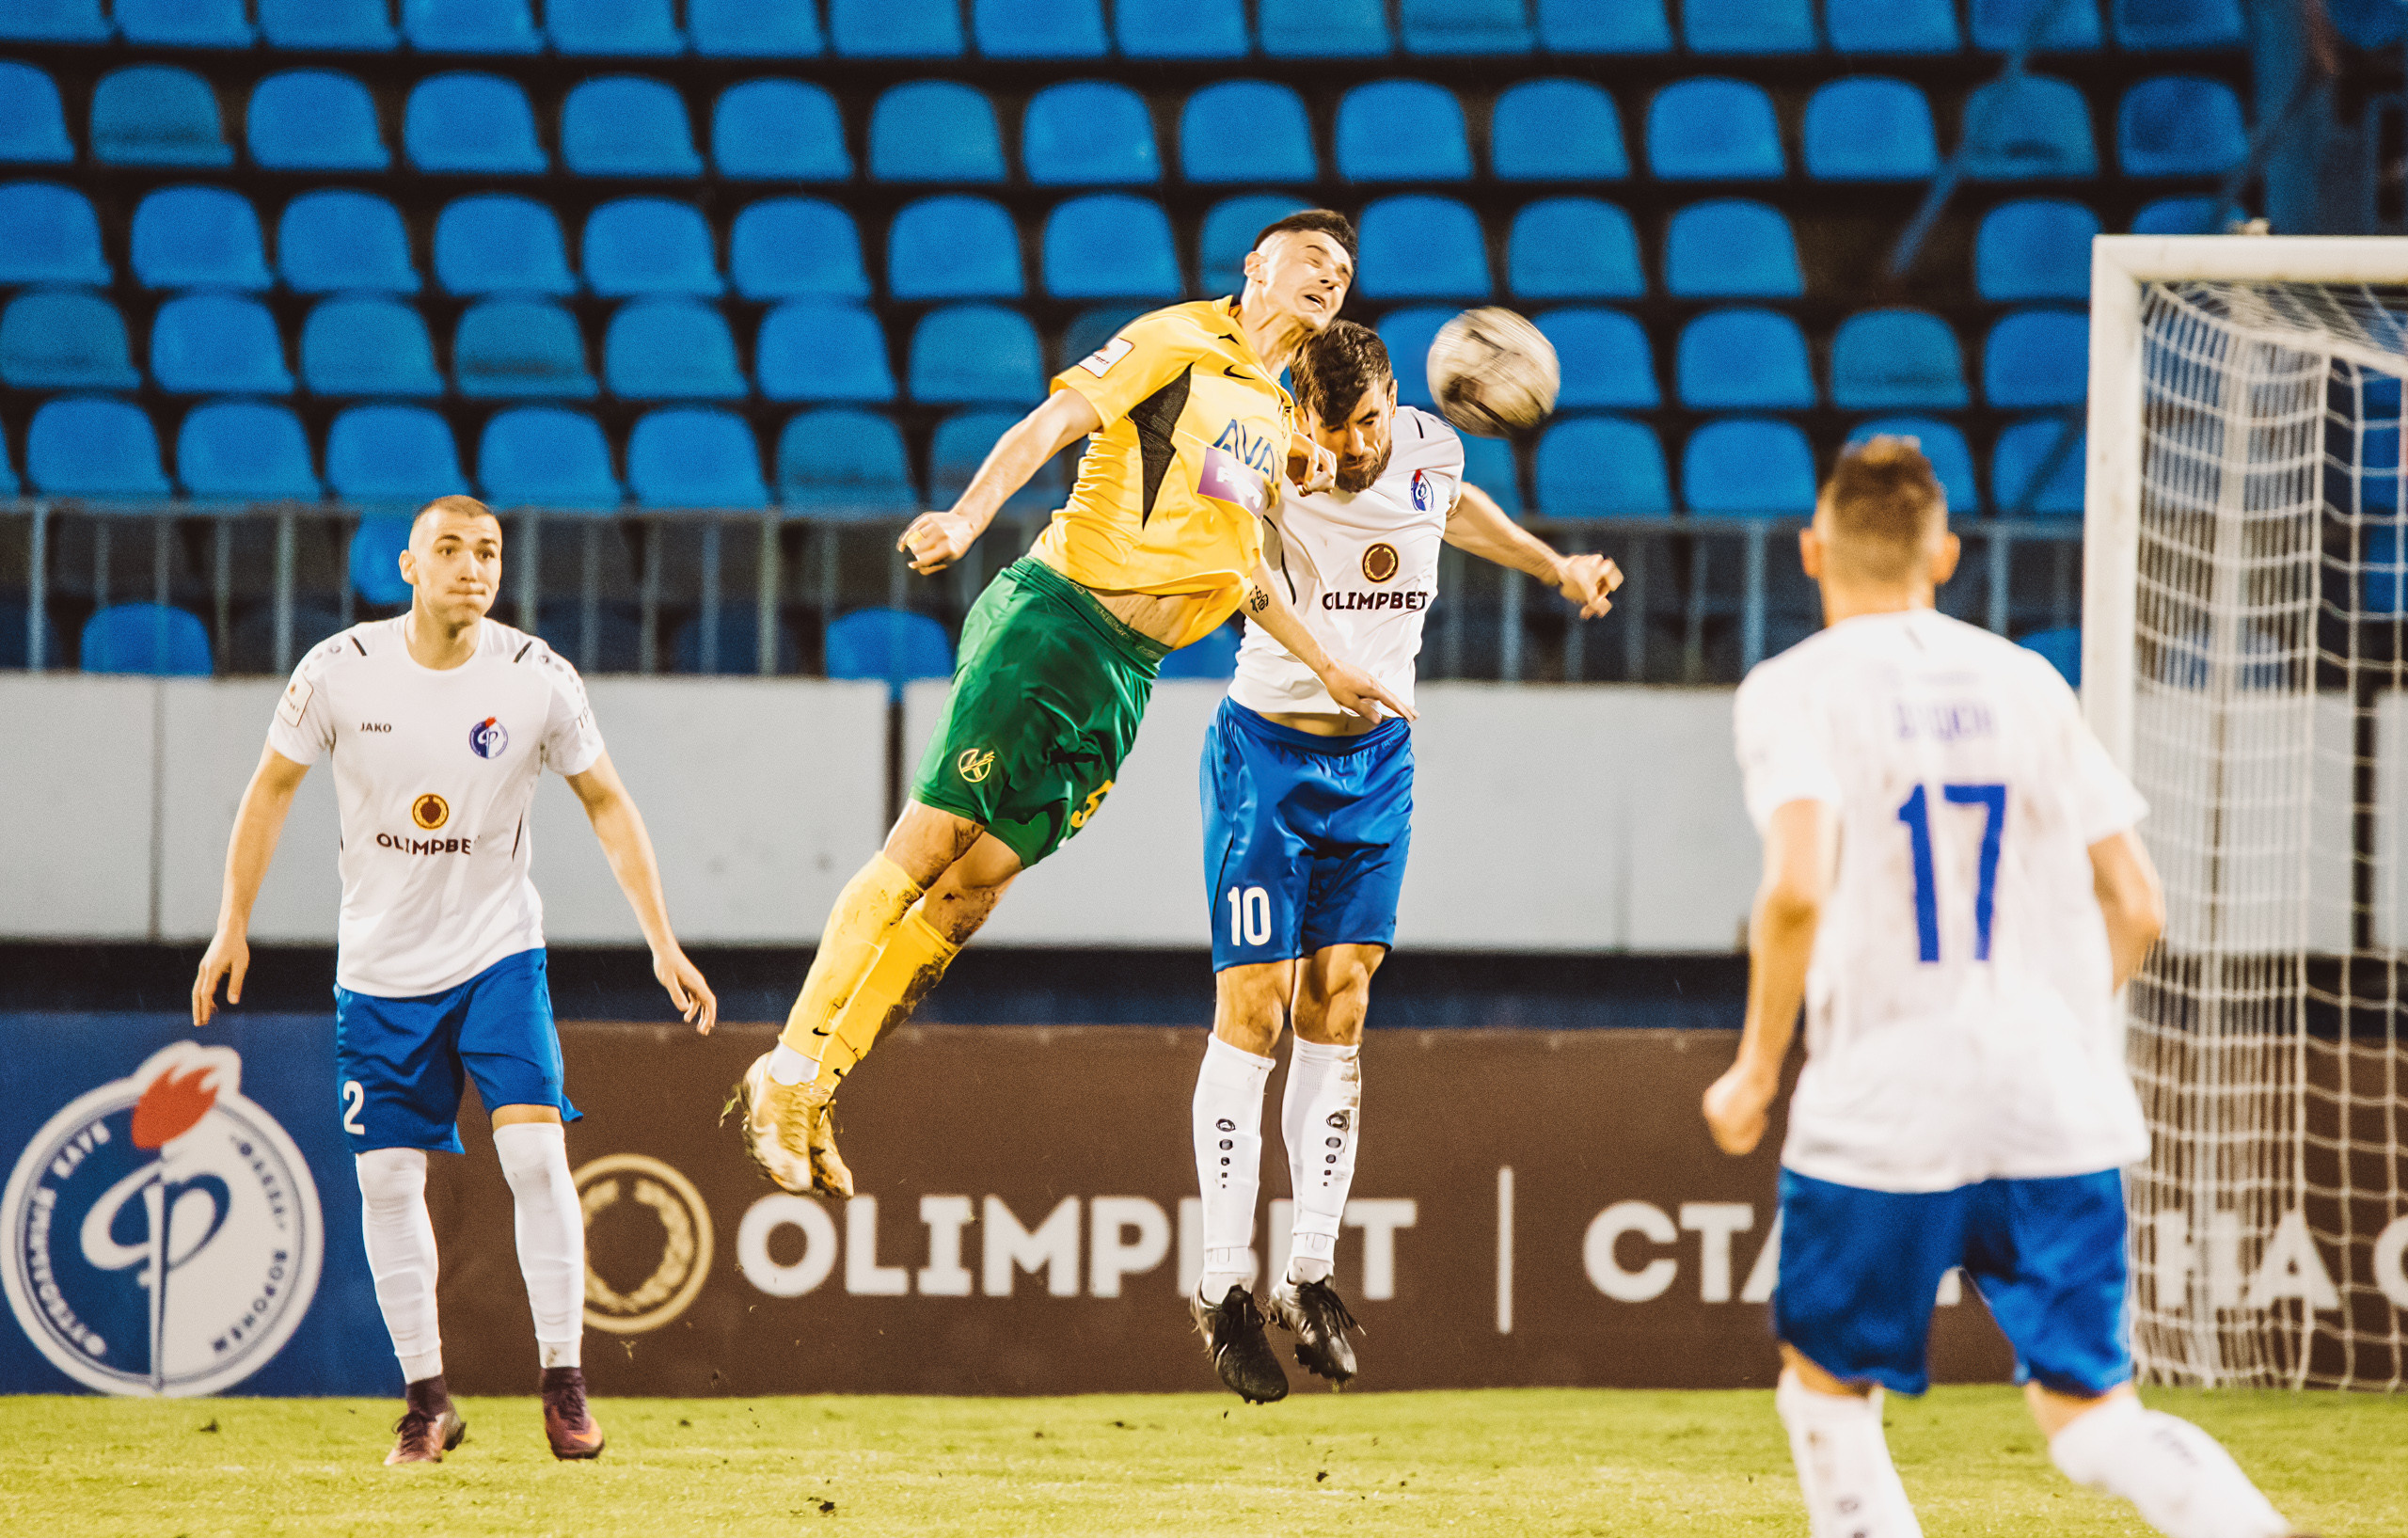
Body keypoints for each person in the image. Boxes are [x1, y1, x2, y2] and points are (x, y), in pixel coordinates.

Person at [1701, 438, 2347, 1538]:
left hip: (1882, 1103)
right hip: (2056, 1094)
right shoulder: (2025, 681)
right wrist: (2044, 1025)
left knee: (1826, 1397)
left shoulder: (1793, 688)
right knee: (2092, 1418)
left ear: (1812, 550)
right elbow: (2139, 906)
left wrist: (1754, 1069)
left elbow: (1796, 887)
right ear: (1943, 552)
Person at [735, 211, 1413, 1203]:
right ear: (1255, 269)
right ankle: (785, 1073)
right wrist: (969, 516)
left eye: (1343, 271)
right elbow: (1053, 423)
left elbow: (1232, 563)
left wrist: (1325, 663)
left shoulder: (1269, 413)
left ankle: (822, 1085)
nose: (1329, 279)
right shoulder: (1176, 342)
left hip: (1123, 677)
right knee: (925, 850)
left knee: (971, 894)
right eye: (1311, 260)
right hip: (1055, 623)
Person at [192, 495, 717, 1467]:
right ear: (408, 566)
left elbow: (607, 802)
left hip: (497, 957)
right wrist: (232, 925)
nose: (473, 567)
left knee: (533, 1159)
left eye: (488, 553)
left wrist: (661, 939)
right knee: (389, 1181)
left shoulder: (536, 678)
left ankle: (564, 1385)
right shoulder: (339, 672)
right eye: (451, 550)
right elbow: (269, 790)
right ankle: (427, 1402)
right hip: (381, 972)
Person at [1187, 321, 1619, 1402]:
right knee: (1254, 1011)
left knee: (1341, 1004)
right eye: (1334, 430)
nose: (1355, 445)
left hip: (1377, 761)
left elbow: (1451, 508)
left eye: (1370, 421)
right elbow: (1222, 570)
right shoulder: (1252, 456)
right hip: (1267, 755)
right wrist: (1326, 662)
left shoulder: (1430, 446)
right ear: (1302, 411)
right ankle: (1219, 1288)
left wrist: (1553, 563)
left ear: (1390, 400)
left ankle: (1308, 1274)